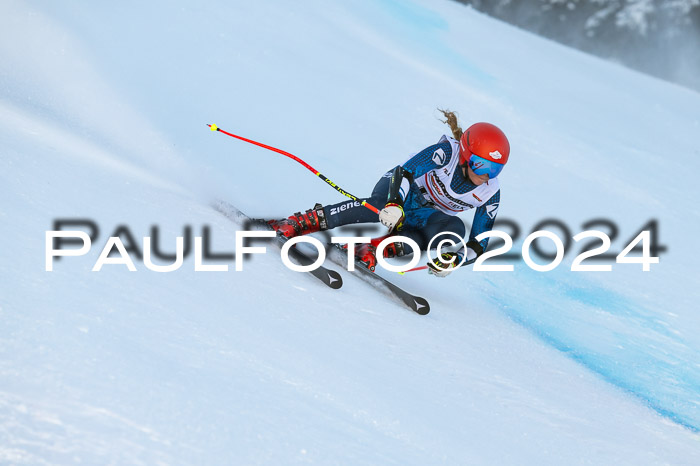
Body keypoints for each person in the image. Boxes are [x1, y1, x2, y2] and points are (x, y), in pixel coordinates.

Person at [268, 110, 510, 278]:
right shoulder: (446, 152)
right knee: (380, 205)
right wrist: (395, 204)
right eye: (482, 165)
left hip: (424, 216)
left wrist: (456, 258)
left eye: (496, 168)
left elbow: (480, 242)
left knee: (454, 229)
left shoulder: (490, 191)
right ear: (466, 156)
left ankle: (372, 248)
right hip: (399, 191)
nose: (488, 174)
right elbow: (404, 172)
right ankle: (301, 222)